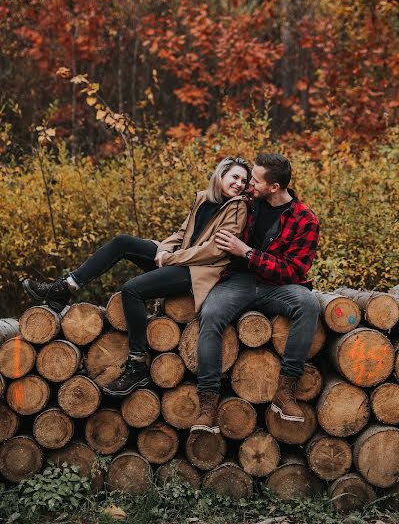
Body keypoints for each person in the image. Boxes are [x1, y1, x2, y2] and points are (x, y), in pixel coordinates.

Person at [22, 156, 250, 396]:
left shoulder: (238, 207)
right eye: (235, 177)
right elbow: (182, 233)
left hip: (198, 272)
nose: (239, 184)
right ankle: (65, 287)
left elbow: (214, 250)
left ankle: (137, 363)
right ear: (221, 175)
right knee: (122, 242)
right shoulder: (205, 198)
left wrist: (170, 258)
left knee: (132, 289)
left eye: (244, 181)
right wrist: (163, 249)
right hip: (180, 258)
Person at [190, 153, 320, 434]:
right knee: (210, 314)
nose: (249, 184)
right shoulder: (246, 203)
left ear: (274, 187)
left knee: (308, 303)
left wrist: (247, 252)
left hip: (278, 287)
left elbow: (294, 271)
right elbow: (208, 208)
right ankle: (208, 402)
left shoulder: (305, 220)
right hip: (239, 280)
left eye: (256, 181)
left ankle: (285, 392)